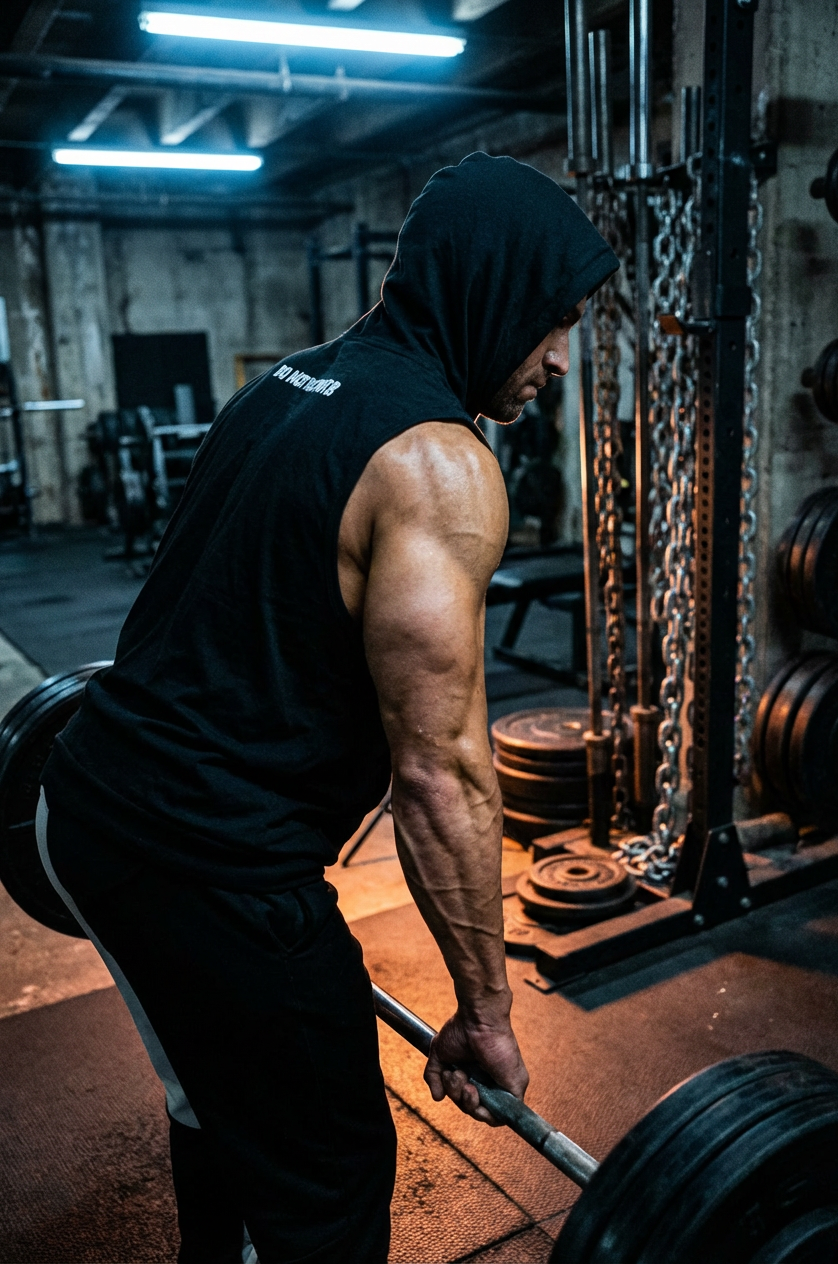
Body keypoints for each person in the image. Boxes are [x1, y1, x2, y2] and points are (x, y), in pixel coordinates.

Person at [37, 152, 618, 1264]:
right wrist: (487, 1012)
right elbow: (439, 770)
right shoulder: (440, 466)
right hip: (206, 865)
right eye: (554, 321)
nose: (557, 356)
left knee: (220, 1105)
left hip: (82, 801)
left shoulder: (287, 383)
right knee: (328, 1173)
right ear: (491, 292)